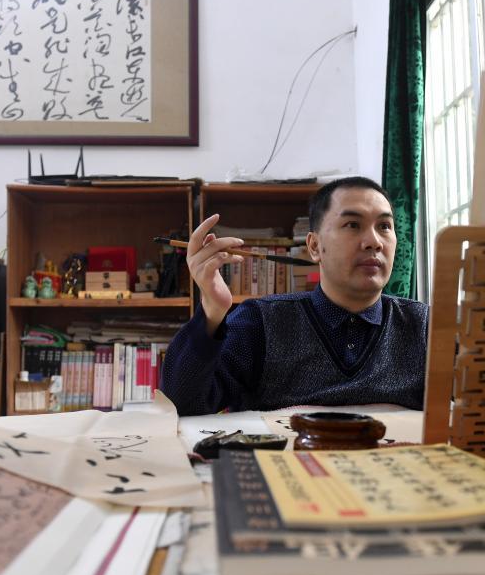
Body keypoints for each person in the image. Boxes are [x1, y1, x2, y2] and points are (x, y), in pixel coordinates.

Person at [160, 177, 428, 415]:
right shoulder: (260, 322)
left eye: (384, 226)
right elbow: (184, 406)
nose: (374, 242)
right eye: (353, 225)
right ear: (314, 246)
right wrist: (212, 310)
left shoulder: (425, 325)